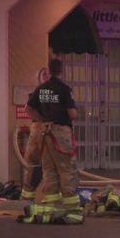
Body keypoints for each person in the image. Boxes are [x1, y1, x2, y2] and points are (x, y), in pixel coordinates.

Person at [26, 59, 81, 208]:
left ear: (49, 71)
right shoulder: (64, 89)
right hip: (60, 133)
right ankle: (71, 203)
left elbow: (29, 109)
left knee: (48, 168)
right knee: (66, 168)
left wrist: (43, 119)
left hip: (45, 131)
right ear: (61, 71)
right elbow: (72, 114)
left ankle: (51, 200)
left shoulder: (41, 89)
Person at [21, 67, 50, 200]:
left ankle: (35, 194)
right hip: (40, 129)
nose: (46, 77)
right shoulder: (38, 93)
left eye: (48, 74)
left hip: (48, 129)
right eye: (44, 74)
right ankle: (28, 195)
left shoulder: (50, 94)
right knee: (34, 162)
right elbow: (28, 109)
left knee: (46, 163)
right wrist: (42, 120)